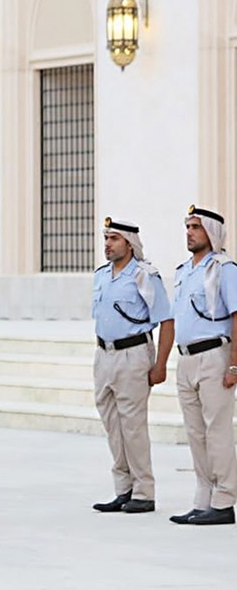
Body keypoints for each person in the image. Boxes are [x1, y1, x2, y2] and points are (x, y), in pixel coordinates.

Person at [90, 218, 172, 514]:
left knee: (133, 427)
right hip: (104, 354)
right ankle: (123, 489)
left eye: (114, 239)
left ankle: (144, 492)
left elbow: (166, 320)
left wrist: (160, 364)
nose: (107, 244)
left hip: (133, 354)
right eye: (106, 238)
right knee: (113, 425)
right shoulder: (101, 275)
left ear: (129, 243)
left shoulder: (144, 275)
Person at [163, 205, 237, 526]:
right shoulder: (184, 271)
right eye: (187, 227)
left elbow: (236, 315)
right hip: (186, 359)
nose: (189, 233)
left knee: (217, 432)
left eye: (196, 227)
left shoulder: (224, 269)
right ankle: (203, 499)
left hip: (214, 356)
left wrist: (234, 365)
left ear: (212, 232)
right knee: (196, 433)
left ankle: (224, 501)